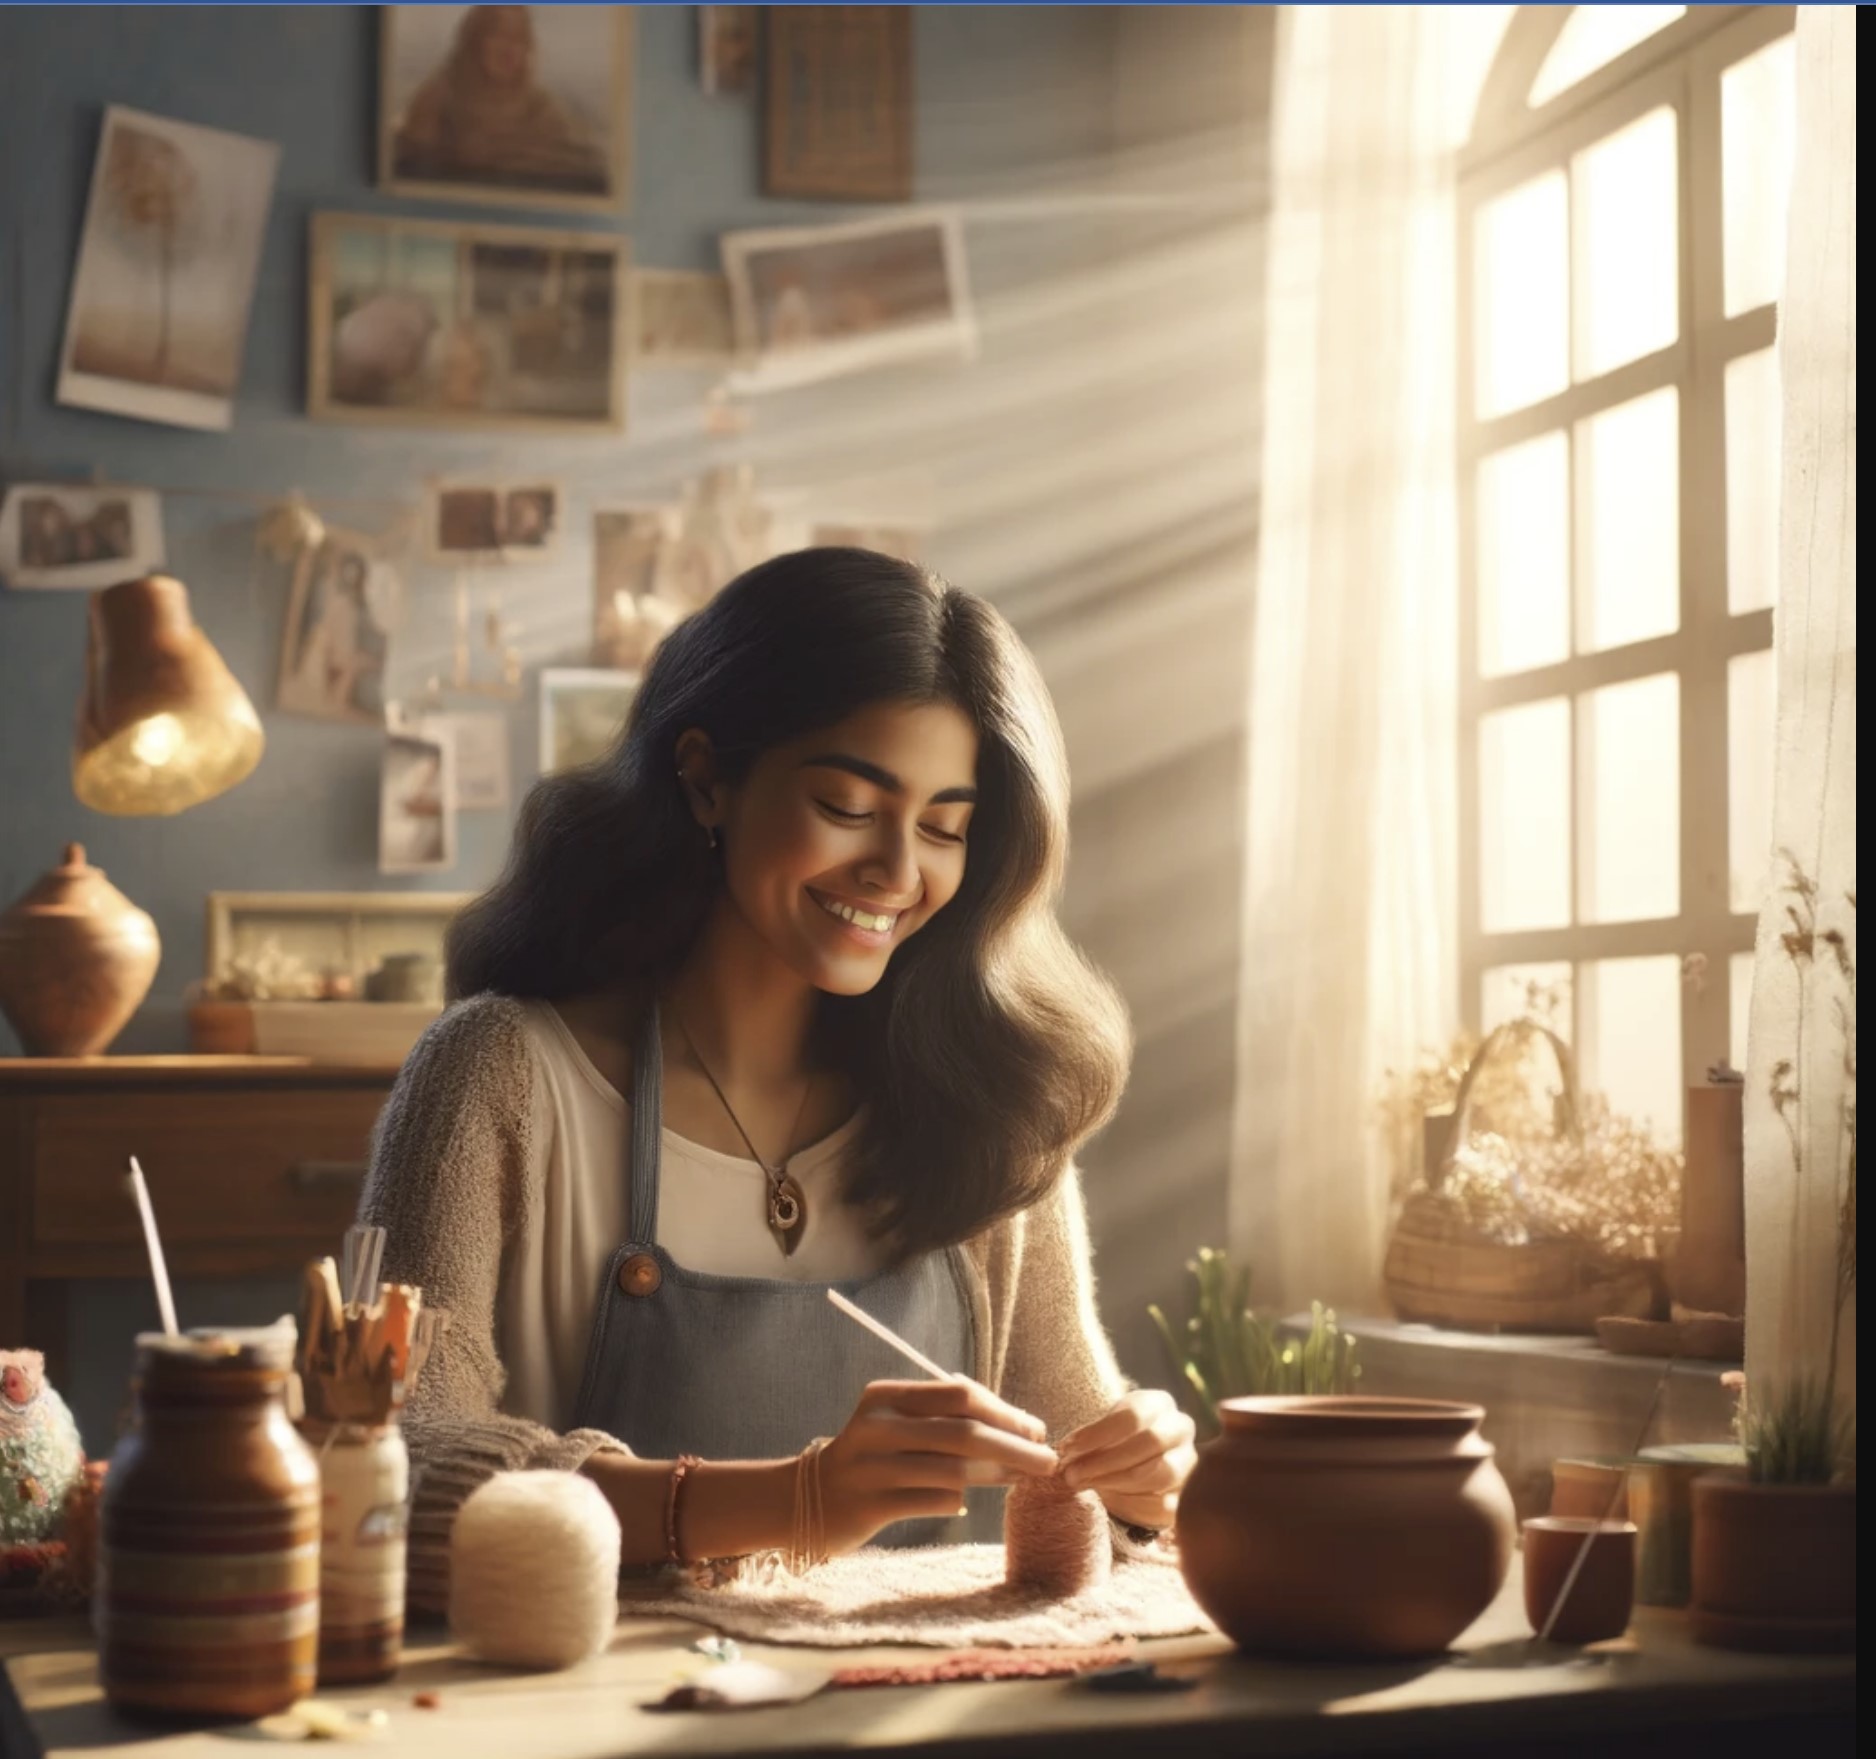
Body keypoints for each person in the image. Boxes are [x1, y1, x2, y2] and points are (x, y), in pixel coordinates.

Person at [360, 549, 1197, 1612]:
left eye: (944, 826)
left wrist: (1149, 1475)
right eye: (849, 804)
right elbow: (397, 1456)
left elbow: (1079, 1434)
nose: (898, 871)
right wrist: (794, 1500)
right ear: (706, 776)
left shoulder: (988, 1102)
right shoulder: (499, 1077)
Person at [393, 5, 608, 194]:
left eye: (518, 39)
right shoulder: (436, 99)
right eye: (498, 36)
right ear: (474, 40)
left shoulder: (542, 109)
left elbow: (584, 170)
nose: (509, 50)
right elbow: (409, 171)